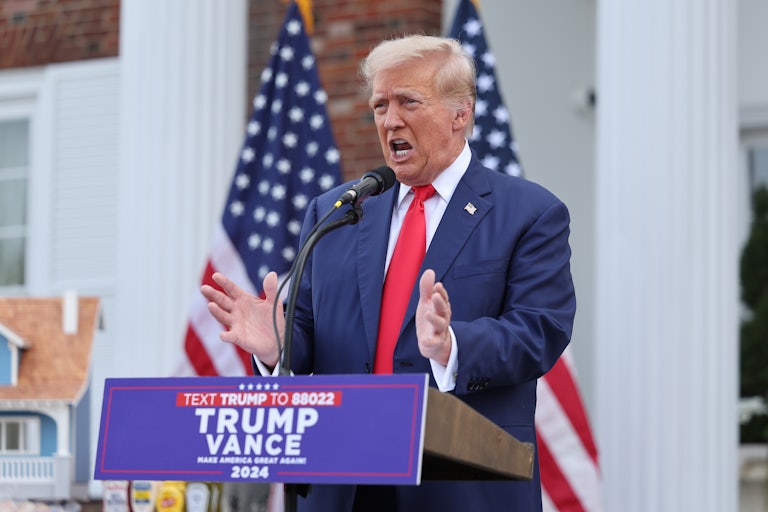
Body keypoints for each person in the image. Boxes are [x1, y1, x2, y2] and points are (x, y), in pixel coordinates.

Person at [202, 34, 576, 512]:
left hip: (461, 490)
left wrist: (452, 346)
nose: (390, 120)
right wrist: (277, 349)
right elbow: (310, 333)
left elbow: (539, 331)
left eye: (408, 102)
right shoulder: (337, 211)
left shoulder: (529, 212)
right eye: (380, 105)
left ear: (461, 114)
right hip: (343, 485)